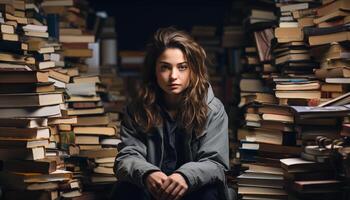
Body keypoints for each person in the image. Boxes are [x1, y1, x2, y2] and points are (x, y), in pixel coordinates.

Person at [113, 27, 232, 200]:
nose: (173, 76)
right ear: (154, 70)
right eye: (165, 68)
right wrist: (147, 174)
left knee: (209, 192)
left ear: (193, 70)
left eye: (182, 67)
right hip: (152, 192)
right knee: (124, 190)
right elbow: (126, 157)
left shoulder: (213, 109)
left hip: (194, 191)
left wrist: (185, 176)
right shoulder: (137, 109)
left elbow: (215, 163)